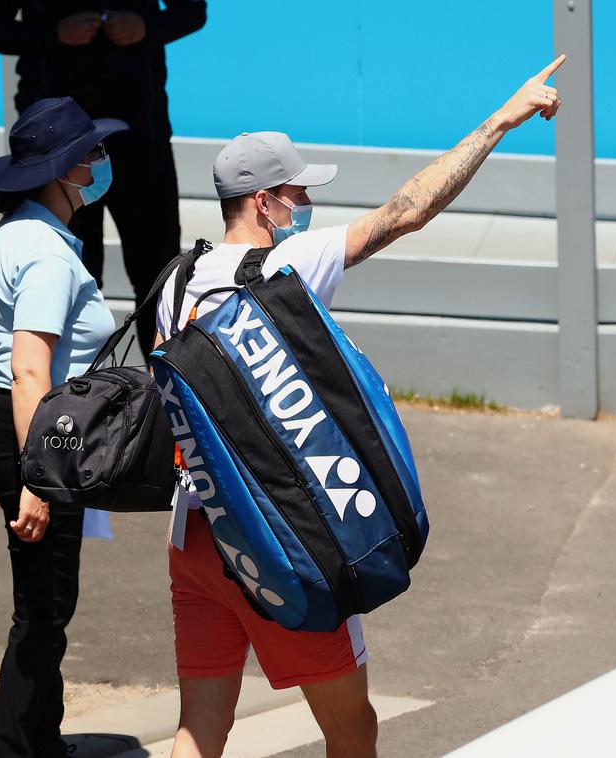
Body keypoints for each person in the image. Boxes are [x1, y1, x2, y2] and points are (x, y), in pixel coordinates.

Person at [155, 58, 565, 758]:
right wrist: (502, 119)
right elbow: (410, 210)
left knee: (200, 729)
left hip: (197, 534)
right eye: (295, 192)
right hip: (281, 540)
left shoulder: (176, 280)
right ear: (263, 201)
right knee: (352, 730)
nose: (301, 205)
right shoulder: (291, 266)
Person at [0, 96, 127, 758]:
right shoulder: (46, 255)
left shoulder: (22, 236)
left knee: (47, 600)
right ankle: (10, 748)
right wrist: (40, 477)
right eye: (92, 155)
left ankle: (42, 741)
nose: (101, 163)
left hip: (20, 428)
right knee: (42, 608)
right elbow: (31, 373)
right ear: (65, 173)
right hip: (34, 434)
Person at [0, 0, 207, 356]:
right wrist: (54, 33)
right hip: (55, 151)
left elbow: (192, 11)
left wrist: (146, 27)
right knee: (70, 273)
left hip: (140, 136)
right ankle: (69, 398)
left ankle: (166, 395)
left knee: (158, 277)